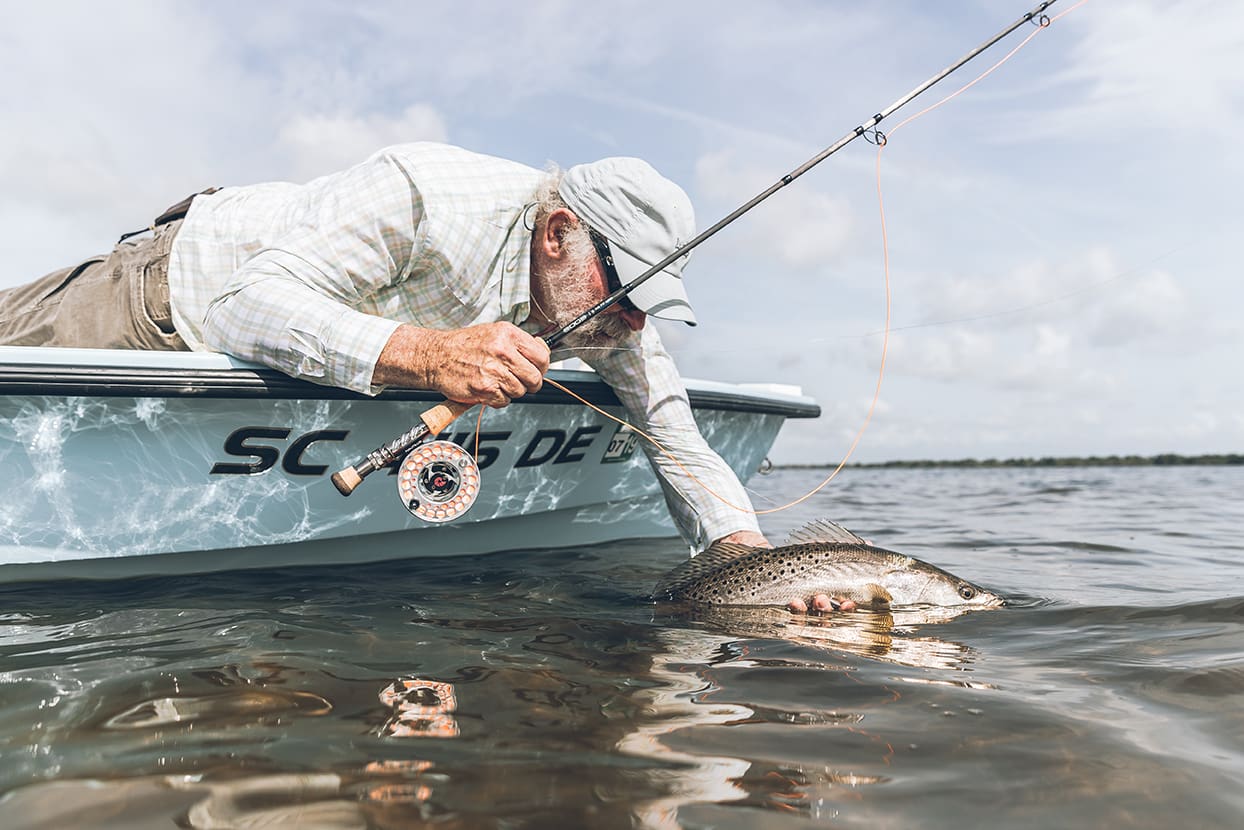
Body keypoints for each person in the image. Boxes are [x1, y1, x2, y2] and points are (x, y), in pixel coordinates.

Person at [0, 141, 770, 553]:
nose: (635, 325)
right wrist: (431, 356)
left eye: (650, 305)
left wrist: (744, 556)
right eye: (627, 293)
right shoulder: (424, 188)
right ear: (560, 233)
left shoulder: (597, 313)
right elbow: (243, 309)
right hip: (167, 298)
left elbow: (674, 435)